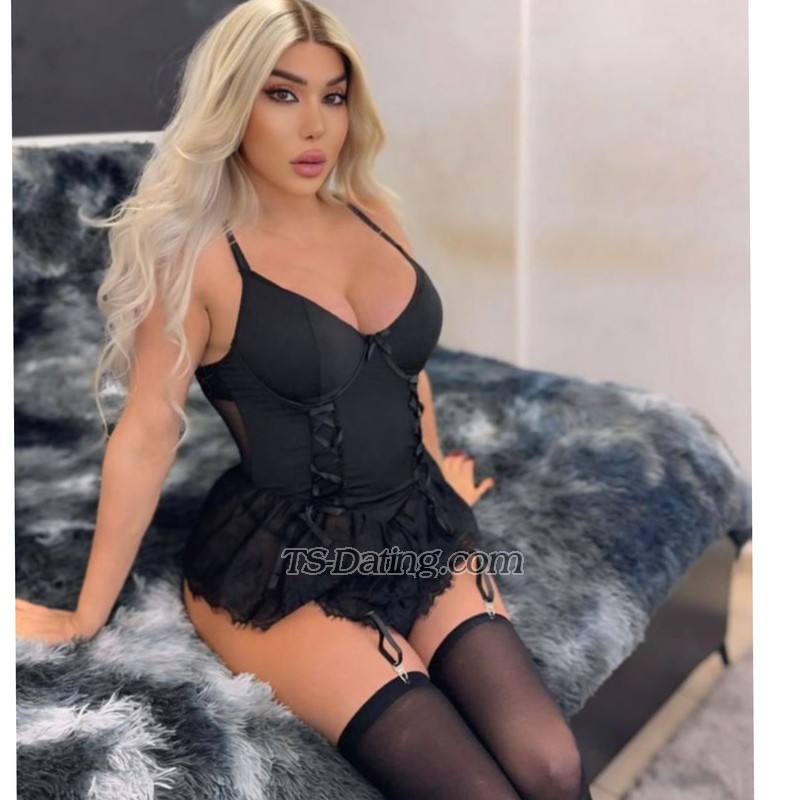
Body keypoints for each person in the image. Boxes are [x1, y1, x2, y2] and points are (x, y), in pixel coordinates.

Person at [16, 2, 594, 798]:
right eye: (283, 94)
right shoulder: (199, 259)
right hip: (281, 563)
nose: (315, 125)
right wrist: (86, 615)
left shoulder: (375, 216)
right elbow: (146, 432)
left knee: (553, 764)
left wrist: (433, 473)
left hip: (415, 523)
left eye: (334, 96)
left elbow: (405, 372)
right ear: (234, 103)